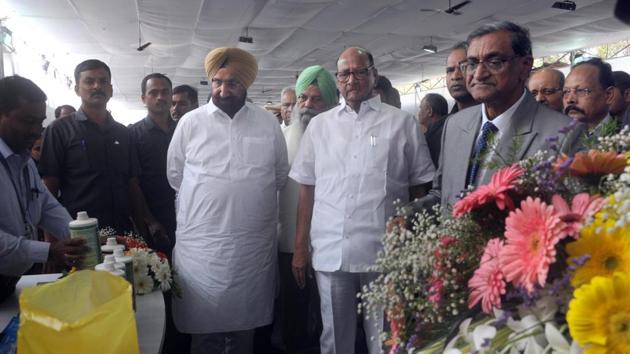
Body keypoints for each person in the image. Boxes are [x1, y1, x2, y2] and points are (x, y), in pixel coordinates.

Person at [290, 47, 435, 354]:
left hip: (384, 251)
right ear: (337, 79)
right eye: (344, 73)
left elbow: (420, 188)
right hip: (331, 248)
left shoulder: (401, 123)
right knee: (333, 338)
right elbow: (307, 189)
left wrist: (417, 246)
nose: (351, 79)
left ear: (373, 75)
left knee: (383, 338)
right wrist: (300, 247)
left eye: (359, 72)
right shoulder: (320, 126)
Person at [167, 47, 289, 354]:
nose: (223, 89)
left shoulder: (267, 123)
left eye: (232, 82)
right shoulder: (191, 123)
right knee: (204, 330)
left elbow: (279, 174)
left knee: (243, 329)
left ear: (246, 84)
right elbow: (175, 174)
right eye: (217, 81)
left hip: (250, 245)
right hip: (204, 247)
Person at [409, 21, 580, 212]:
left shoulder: (564, 135)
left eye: (494, 62)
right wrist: (408, 214)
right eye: (472, 63)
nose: (479, 74)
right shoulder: (455, 125)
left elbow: (569, 218)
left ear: (525, 66)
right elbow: (443, 194)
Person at [0, 75, 87, 300]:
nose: (36, 131)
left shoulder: (24, 159)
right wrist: (48, 251)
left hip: (12, 280)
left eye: (40, 122)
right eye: (28, 121)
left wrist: (80, 237)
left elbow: (46, 205)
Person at [39, 59, 140, 233]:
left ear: (110, 89)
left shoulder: (123, 133)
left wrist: (142, 225)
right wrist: (52, 242)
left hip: (122, 230)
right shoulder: (59, 130)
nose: (96, 86)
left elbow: (132, 182)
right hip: (80, 233)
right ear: (77, 89)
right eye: (89, 81)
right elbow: (50, 186)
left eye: (103, 81)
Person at [278, 64, 338, 353]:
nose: (307, 105)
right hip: (290, 243)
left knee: (330, 316)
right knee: (295, 315)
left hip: (331, 243)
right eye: (303, 98)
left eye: (316, 99)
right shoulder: (280, 138)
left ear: (330, 103)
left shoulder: (341, 137)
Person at [563, 58, 616, 136]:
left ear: (608, 95)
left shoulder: (623, 137)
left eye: (581, 90)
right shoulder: (559, 135)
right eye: (566, 92)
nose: (570, 100)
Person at [418, 93, 448, 167]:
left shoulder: (431, 138)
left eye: (421, 108)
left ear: (429, 111)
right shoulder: (451, 128)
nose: (418, 113)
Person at [446, 42, 476, 114]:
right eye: (450, 70)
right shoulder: (442, 124)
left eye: (464, 68)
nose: (455, 76)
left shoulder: (493, 123)